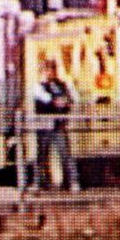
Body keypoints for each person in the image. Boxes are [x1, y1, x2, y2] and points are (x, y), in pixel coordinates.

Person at [33, 59, 79, 192]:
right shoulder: (38, 86)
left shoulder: (63, 85)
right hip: (44, 125)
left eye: (52, 69)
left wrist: (67, 101)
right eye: (46, 70)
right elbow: (47, 99)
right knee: (41, 154)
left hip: (59, 125)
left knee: (65, 153)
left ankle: (72, 182)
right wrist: (58, 101)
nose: (49, 72)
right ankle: (39, 182)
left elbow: (74, 97)